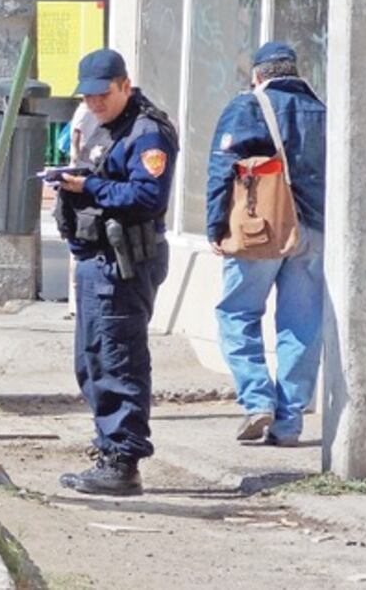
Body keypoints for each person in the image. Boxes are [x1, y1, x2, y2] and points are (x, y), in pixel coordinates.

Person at [54, 49, 178, 495]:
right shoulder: (102, 125)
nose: (93, 103)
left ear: (125, 85)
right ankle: (109, 448)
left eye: (102, 95)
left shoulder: (148, 133)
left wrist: (90, 186)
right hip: (96, 258)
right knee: (92, 360)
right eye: (87, 96)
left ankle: (124, 459)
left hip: (124, 262)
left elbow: (148, 196)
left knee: (118, 358)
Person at [206, 41, 326, 447]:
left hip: (263, 229)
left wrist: (215, 226)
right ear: (295, 71)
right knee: (302, 324)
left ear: (258, 75)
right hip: (315, 231)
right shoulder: (324, 109)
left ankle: (257, 400)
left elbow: (223, 167)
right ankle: (289, 423)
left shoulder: (249, 106)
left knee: (236, 312)